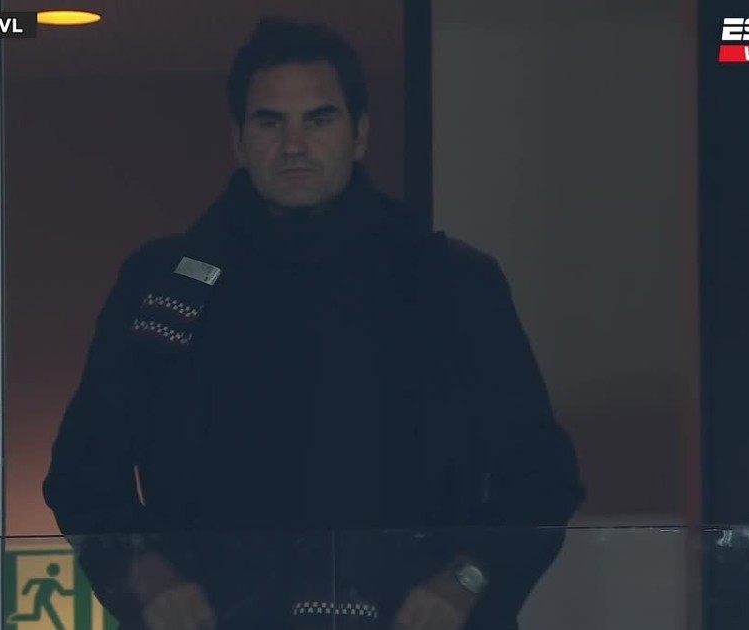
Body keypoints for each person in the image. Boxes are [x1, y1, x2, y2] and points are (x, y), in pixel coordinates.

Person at [43, 16, 585, 630]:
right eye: (270, 122)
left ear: (360, 134)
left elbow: (541, 479)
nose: (293, 145)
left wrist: (464, 583)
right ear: (239, 141)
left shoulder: (452, 285)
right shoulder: (164, 285)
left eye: (319, 120)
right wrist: (149, 577)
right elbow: (85, 476)